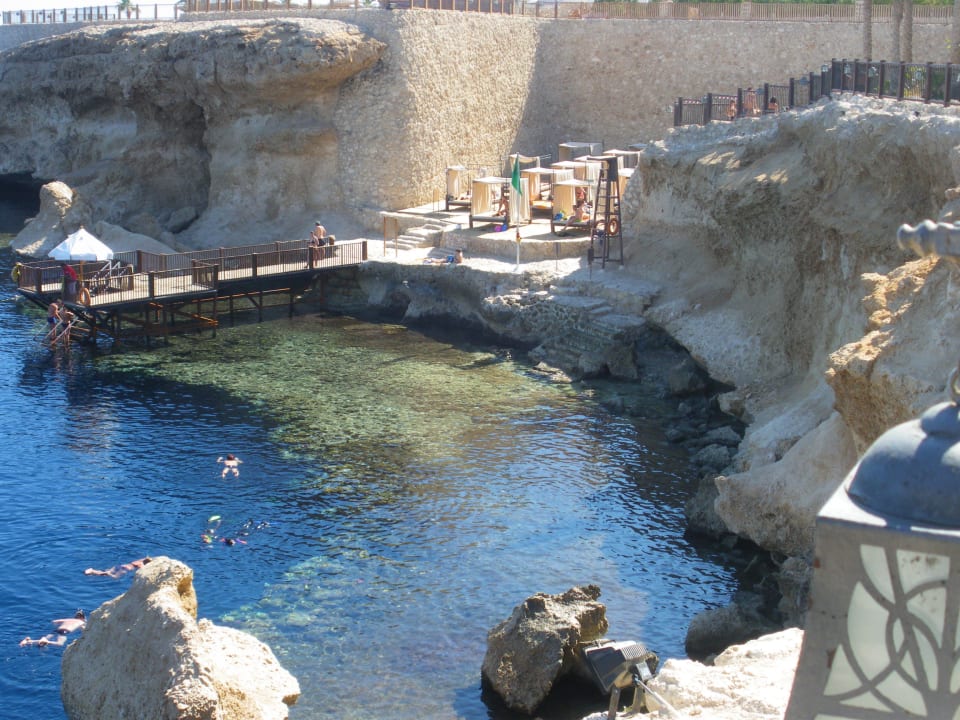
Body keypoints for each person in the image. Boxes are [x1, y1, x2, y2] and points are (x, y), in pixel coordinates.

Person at [20, 610, 85, 648]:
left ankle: (27, 641)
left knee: (43, 639)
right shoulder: (81, 622)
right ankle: (47, 642)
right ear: (82, 618)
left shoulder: (68, 619)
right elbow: (84, 630)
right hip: (64, 631)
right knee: (60, 644)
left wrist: (58, 625)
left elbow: (54, 621)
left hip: (57, 630)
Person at [84, 557, 152, 578]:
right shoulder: (141, 564)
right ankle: (92, 571)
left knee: (106, 572)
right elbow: (142, 570)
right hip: (125, 569)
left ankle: (93, 571)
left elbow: (145, 558)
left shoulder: (138, 561)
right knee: (114, 577)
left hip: (121, 566)